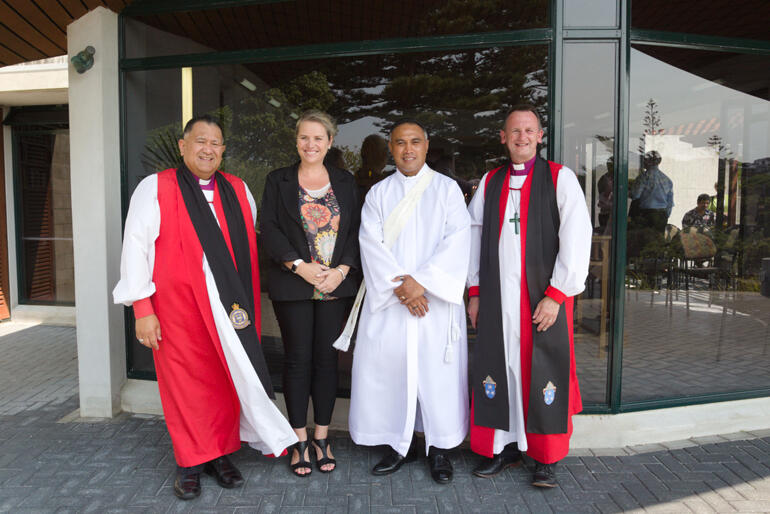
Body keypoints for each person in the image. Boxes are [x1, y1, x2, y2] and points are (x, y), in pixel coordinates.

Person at [113, 115, 297, 500]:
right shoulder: (156, 188)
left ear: (223, 150)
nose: (208, 149)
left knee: (226, 381)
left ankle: (221, 455)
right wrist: (142, 308)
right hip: (177, 310)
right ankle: (190, 462)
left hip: (232, 309)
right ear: (183, 146)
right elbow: (136, 247)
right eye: (200, 141)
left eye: (215, 142)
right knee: (186, 387)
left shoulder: (238, 189)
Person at [467, 105, 591, 488]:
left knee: (543, 372)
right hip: (497, 300)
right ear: (503, 138)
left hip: (542, 300)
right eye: (514, 131)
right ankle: (503, 449)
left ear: (540, 136)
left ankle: (544, 458)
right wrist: (474, 291)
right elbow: (472, 236)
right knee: (500, 369)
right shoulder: (491, 182)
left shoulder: (559, 178)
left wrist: (556, 295)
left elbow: (577, 237)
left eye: (529, 131)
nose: (522, 137)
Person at [349, 120, 471, 484]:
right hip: (394, 303)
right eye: (400, 143)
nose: (407, 149)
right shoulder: (378, 194)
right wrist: (404, 290)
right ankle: (397, 445)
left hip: (434, 303)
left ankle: (440, 449)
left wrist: (423, 284)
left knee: (437, 377)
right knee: (391, 374)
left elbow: (458, 242)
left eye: (414, 142)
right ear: (391, 147)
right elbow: (370, 245)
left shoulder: (448, 191)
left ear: (426, 145)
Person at [259, 110, 361, 477]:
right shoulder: (278, 180)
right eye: (304, 137)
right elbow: (268, 228)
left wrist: (343, 270)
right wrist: (298, 265)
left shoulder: (346, 182)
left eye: (318, 138)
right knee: (297, 359)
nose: (311, 144)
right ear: (296, 140)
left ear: (330, 142)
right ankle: (298, 439)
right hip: (294, 284)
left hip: (335, 285)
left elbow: (356, 231)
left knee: (326, 361)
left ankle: (322, 436)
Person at [629, 150, 673, 233]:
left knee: (645, 241)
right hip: (662, 215)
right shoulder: (667, 180)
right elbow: (670, 203)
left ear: (648, 162)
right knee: (657, 242)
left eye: (644, 160)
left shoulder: (643, 177)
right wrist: (665, 216)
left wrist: (627, 192)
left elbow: (636, 195)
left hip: (647, 215)